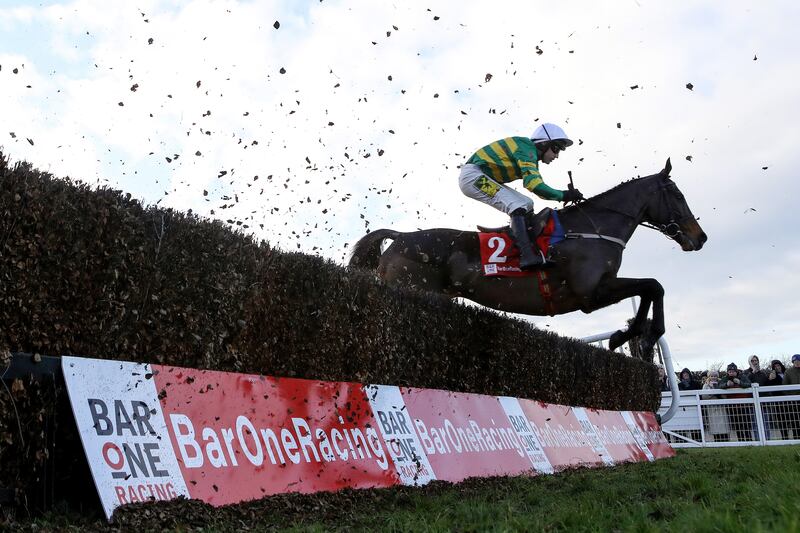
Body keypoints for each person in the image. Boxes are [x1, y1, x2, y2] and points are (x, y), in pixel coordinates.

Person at [458, 123, 583, 269]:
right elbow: (535, 185)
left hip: (479, 175)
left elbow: (533, 186)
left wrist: (564, 195)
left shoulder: (528, 151)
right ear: (543, 144)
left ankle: (524, 245)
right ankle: (527, 256)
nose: (556, 155)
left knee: (527, 203)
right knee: (517, 205)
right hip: (473, 177)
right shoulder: (527, 150)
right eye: (556, 149)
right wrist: (564, 195)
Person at [720, 363, 754, 442]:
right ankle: (741, 441)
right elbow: (719, 385)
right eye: (730, 371)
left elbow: (749, 384)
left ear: (736, 371)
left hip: (744, 405)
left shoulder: (742, 377)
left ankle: (749, 441)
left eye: (733, 371)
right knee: (737, 425)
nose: (731, 373)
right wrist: (726, 384)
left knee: (746, 425)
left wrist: (740, 382)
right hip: (733, 406)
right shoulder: (725, 378)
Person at [701, 370, 730, 442]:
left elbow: (725, 395)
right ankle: (717, 441)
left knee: (723, 425)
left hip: (721, 408)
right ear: (709, 377)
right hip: (712, 408)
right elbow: (704, 396)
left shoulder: (721, 383)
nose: (713, 377)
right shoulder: (706, 385)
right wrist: (712, 394)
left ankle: (726, 441)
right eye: (711, 376)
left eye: (715, 376)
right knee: (715, 426)